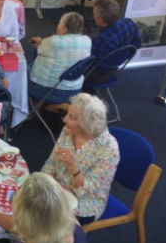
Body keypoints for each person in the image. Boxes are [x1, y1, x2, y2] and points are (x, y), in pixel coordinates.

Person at [42, 93, 119, 225]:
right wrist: (46, 181)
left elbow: (87, 190)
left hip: (85, 203)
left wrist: (74, 169)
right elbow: (51, 163)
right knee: (25, 197)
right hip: (57, 188)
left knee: (41, 218)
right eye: (67, 114)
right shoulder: (68, 130)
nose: (64, 119)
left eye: (71, 117)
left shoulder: (108, 149)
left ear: (86, 125)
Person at [29, 12, 91, 107]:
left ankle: (37, 107)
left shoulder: (53, 42)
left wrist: (41, 41)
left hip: (48, 90)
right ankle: (58, 107)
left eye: (59, 24)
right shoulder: (87, 41)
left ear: (64, 29)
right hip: (74, 89)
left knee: (21, 72)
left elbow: (40, 49)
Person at [86, 0, 141, 84]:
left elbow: (90, 64)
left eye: (94, 14)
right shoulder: (128, 23)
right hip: (116, 68)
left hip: (99, 75)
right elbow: (137, 44)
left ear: (100, 20)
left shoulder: (100, 41)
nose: (93, 16)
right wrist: (123, 55)